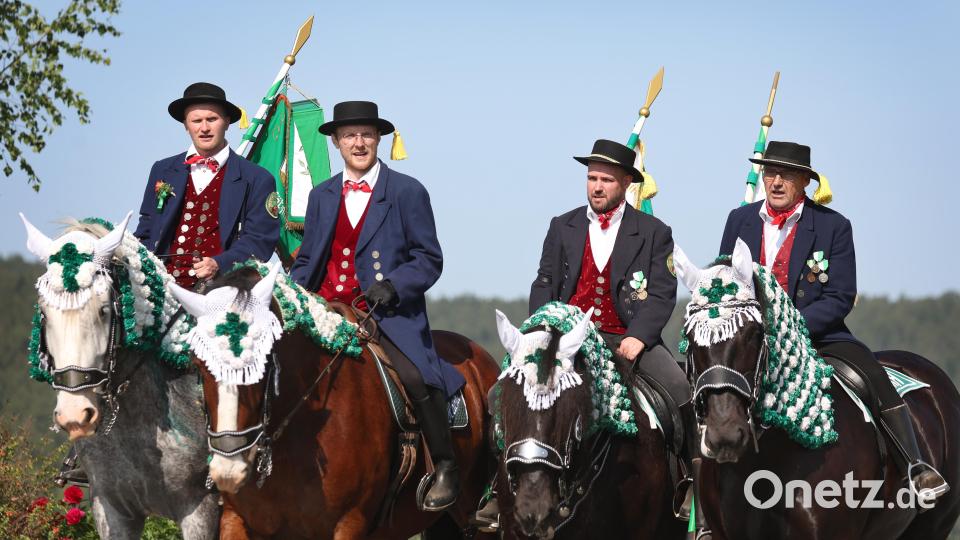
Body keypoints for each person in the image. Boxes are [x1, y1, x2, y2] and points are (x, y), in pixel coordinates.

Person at [475, 139, 698, 531]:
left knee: (680, 388)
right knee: (500, 394)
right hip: (563, 340)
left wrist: (640, 337)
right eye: (592, 178)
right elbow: (544, 283)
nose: (596, 186)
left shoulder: (654, 231)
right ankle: (497, 489)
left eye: (606, 180)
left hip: (626, 339)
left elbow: (663, 293)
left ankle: (690, 482)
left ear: (627, 182)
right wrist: (542, 332)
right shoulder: (563, 225)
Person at [719, 140, 948, 505]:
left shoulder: (833, 226)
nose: (776, 182)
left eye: (787, 175)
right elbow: (725, 280)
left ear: (806, 181)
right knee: (707, 383)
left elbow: (840, 296)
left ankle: (915, 464)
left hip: (818, 337)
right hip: (749, 339)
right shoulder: (739, 219)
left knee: (872, 376)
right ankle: (698, 484)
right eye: (770, 173)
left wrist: (789, 328)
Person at [290, 100, 464, 511]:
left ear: (379, 139)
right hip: (326, 309)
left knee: (416, 377)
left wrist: (394, 285)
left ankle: (445, 465)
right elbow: (307, 261)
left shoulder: (406, 191)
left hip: (385, 314)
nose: (359, 142)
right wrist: (288, 297)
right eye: (349, 136)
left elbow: (429, 257)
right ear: (335, 142)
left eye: (367, 135)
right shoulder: (321, 195)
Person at [133, 82, 278, 287]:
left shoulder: (257, 178)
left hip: (223, 286)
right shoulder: (162, 169)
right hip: (162, 285)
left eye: (212, 119)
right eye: (196, 120)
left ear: (227, 122)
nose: (204, 128)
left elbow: (260, 240)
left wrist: (220, 263)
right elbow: (146, 230)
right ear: (186, 124)